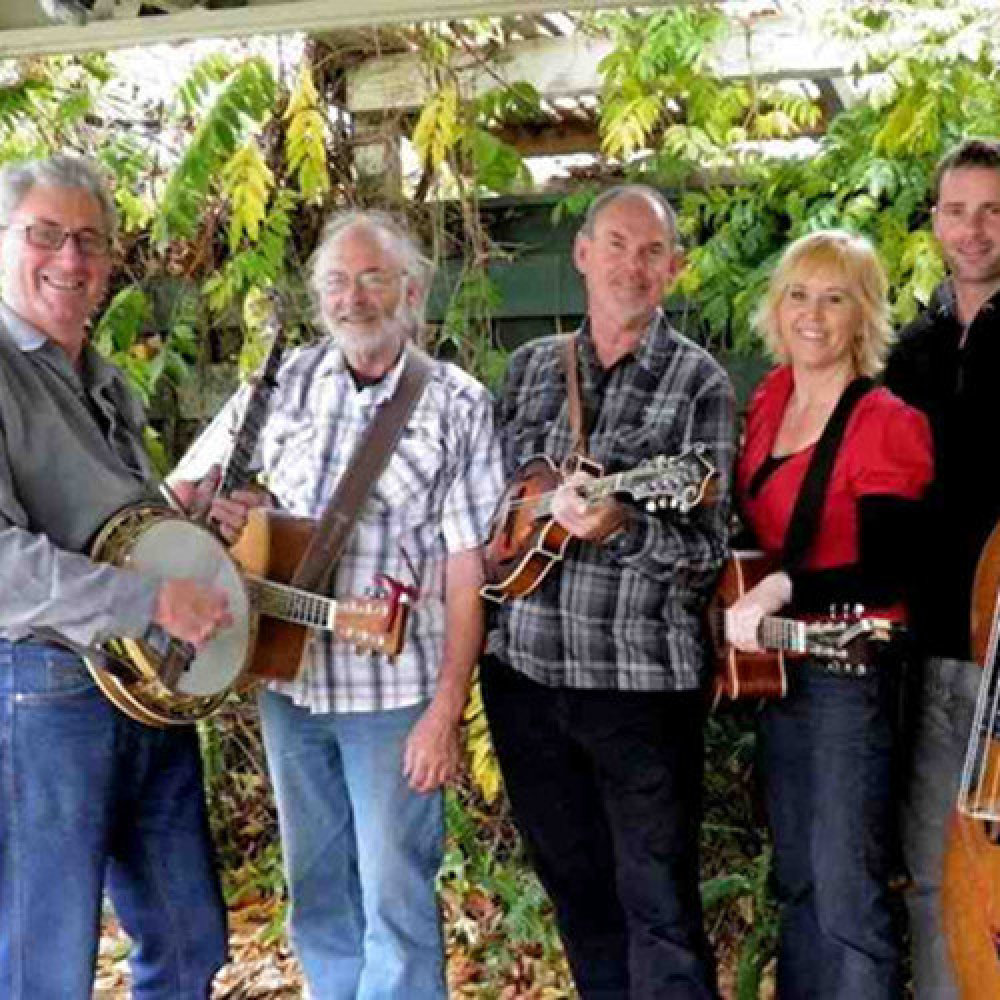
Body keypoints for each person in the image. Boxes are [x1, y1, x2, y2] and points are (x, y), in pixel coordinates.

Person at [173, 209, 502, 1000]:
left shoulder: (457, 404)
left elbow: (467, 572)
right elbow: (185, 492)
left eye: (372, 278)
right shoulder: (280, 384)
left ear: (412, 290)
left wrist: (446, 710)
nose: (353, 298)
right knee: (316, 889)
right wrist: (215, 512)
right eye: (335, 281)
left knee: (395, 897)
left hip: (396, 696)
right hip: (288, 684)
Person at [481, 183, 733, 999]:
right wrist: (507, 527)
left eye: (653, 251)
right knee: (578, 899)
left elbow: (706, 553)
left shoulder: (700, 386)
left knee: (659, 905)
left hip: (639, 690)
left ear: (675, 270)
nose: (634, 264)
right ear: (583, 255)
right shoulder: (529, 369)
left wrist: (622, 525)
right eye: (618, 245)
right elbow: (484, 508)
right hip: (524, 680)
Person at [0, 154, 232, 999]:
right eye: (46, 235)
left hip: (145, 691)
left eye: (90, 242)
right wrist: (149, 598)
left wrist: (187, 518)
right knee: (43, 962)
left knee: (188, 939)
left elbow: (108, 528)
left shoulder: (103, 378)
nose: (71, 260)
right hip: (44, 693)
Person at [726, 229, 933, 997]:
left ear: (863, 315)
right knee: (801, 885)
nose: (812, 315)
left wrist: (781, 590)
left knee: (848, 892)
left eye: (835, 298)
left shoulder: (887, 422)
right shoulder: (770, 399)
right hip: (778, 669)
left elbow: (886, 568)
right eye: (798, 295)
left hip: (850, 671)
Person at [883, 137, 1000, 998]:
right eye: (958, 210)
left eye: (993, 210)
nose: (974, 228)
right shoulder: (909, 350)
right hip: (928, 657)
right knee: (930, 874)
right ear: (934, 222)